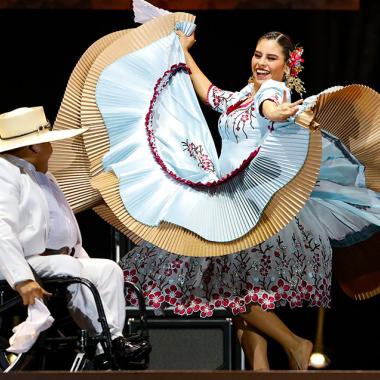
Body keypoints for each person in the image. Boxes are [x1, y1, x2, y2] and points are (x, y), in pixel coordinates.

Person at [117, 28, 380, 371]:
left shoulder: (272, 91)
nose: (261, 63)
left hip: (252, 206)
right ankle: (261, 370)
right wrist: (182, 52)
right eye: (258, 55)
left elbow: (269, 107)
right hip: (230, 201)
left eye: (271, 58)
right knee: (240, 295)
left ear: (287, 67)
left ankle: (295, 344)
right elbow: (208, 91)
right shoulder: (242, 95)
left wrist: (281, 112)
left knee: (233, 291)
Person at [0, 105, 151, 369]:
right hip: (23, 261)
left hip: (58, 260)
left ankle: (109, 345)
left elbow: (66, 229)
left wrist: (82, 260)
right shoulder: (5, 173)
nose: (51, 145)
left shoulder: (45, 177)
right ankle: (110, 341)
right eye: (47, 141)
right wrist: (22, 280)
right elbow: (2, 229)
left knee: (107, 269)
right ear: (34, 147)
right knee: (66, 267)